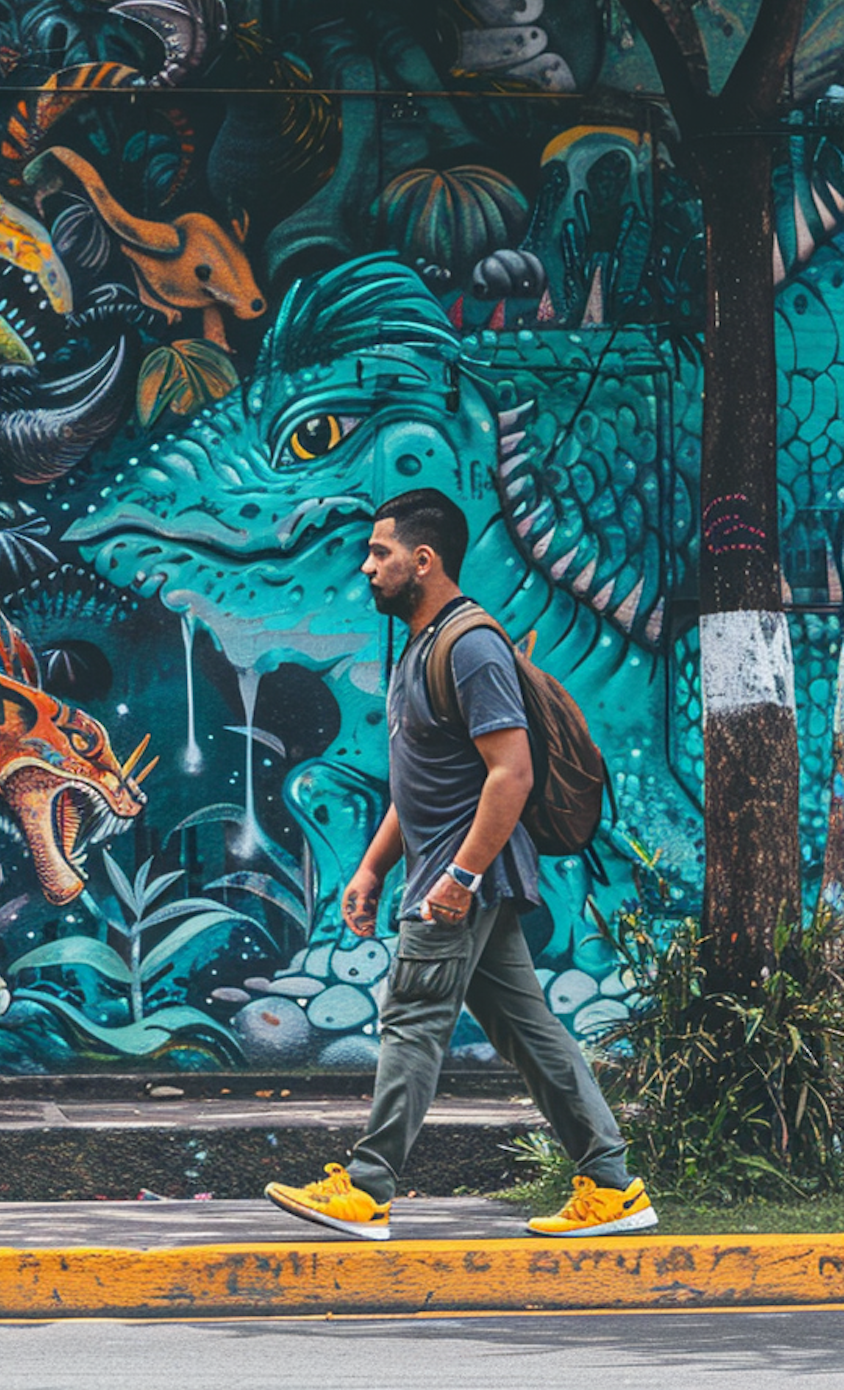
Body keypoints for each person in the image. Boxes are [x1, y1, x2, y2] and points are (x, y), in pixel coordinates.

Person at [264, 487, 656, 1241]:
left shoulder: (469, 645)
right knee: (528, 1029)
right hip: (450, 872)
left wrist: (460, 877)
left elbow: (511, 773)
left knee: (412, 1018)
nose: (367, 567)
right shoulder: (421, 646)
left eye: (379, 553)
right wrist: (372, 867)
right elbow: (419, 782)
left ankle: (368, 1186)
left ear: (424, 559)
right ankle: (612, 1184)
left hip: (461, 879)